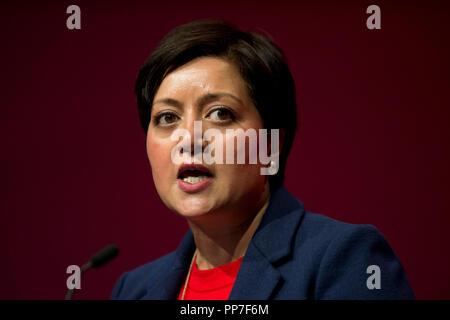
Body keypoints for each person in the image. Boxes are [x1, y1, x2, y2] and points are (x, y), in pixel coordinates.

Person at [111, 19, 415, 300]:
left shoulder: (345, 259)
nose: (188, 139)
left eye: (220, 114)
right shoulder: (133, 290)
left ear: (271, 145)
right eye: (167, 117)